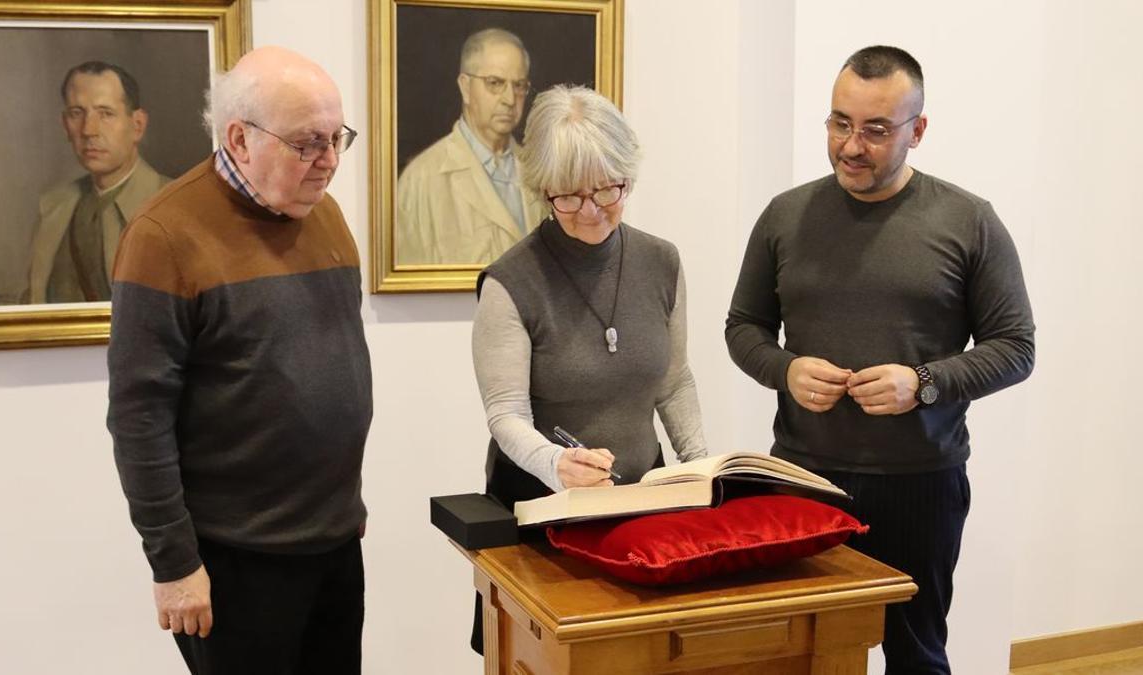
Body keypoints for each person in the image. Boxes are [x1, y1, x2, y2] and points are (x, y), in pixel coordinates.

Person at [725, 46, 1035, 673]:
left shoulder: (968, 221)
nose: (850, 145)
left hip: (920, 483)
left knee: (916, 656)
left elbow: (1016, 348)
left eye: (874, 130)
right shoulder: (785, 216)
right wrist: (784, 369)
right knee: (799, 656)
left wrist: (922, 383)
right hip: (804, 479)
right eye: (839, 123)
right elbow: (743, 328)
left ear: (917, 131)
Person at [106, 46, 369, 674]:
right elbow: (139, 420)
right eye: (308, 143)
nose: (329, 162)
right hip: (233, 563)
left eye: (338, 138)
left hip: (332, 542)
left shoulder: (323, 214)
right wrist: (174, 565)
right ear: (239, 139)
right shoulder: (164, 236)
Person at [470, 84, 708, 653]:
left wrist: (702, 468)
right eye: (569, 197)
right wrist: (557, 464)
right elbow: (505, 414)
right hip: (540, 512)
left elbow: (673, 379)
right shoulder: (511, 282)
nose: (592, 211)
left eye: (608, 190)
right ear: (542, 190)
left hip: (638, 502)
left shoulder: (661, 261)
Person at [396, 27, 548, 265]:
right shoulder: (420, 180)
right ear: (465, 87)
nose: (510, 99)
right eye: (495, 83)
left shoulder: (540, 173)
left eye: (519, 86)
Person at [26, 60, 169, 303]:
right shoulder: (52, 206)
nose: (88, 130)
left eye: (105, 114)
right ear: (65, 125)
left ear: (137, 125)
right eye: (76, 113)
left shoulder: (174, 205)